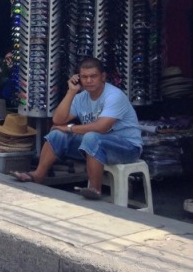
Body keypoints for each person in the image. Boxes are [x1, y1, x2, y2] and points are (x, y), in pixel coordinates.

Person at [11, 57, 143, 199]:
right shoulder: (81, 97)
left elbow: (101, 127)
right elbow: (58, 119)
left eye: (93, 76)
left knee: (91, 136)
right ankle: (37, 175)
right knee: (57, 135)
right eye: (84, 77)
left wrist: (69, 128)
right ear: (78, 78)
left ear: (103, 77)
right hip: (96, 144)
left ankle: (94, 189)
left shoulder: (114, 96)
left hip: (128, 148)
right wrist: (71, 92)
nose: (88, 80)